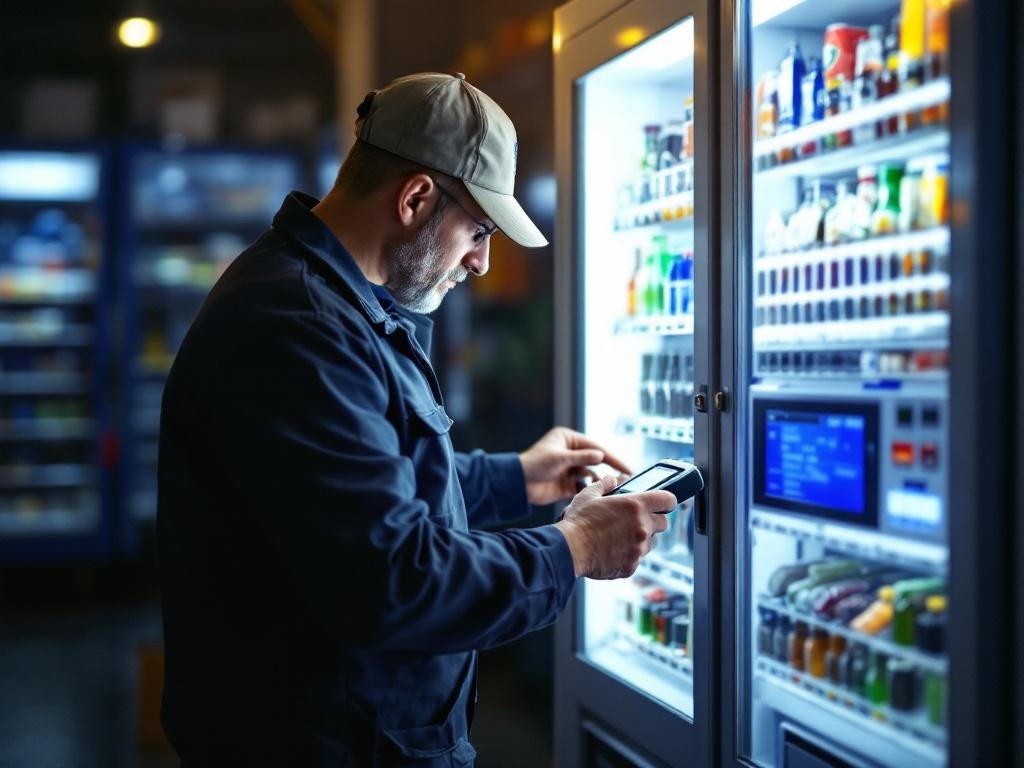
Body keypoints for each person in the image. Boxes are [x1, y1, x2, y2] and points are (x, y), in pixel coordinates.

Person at [157, 72, 676, 767]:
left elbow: (363, 480)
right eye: (479, 230)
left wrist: (516, 479)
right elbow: (392, 578)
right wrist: (575, 547)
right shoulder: (299, 326)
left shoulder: (332, 304)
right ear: (415, 197)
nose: (482, 261)